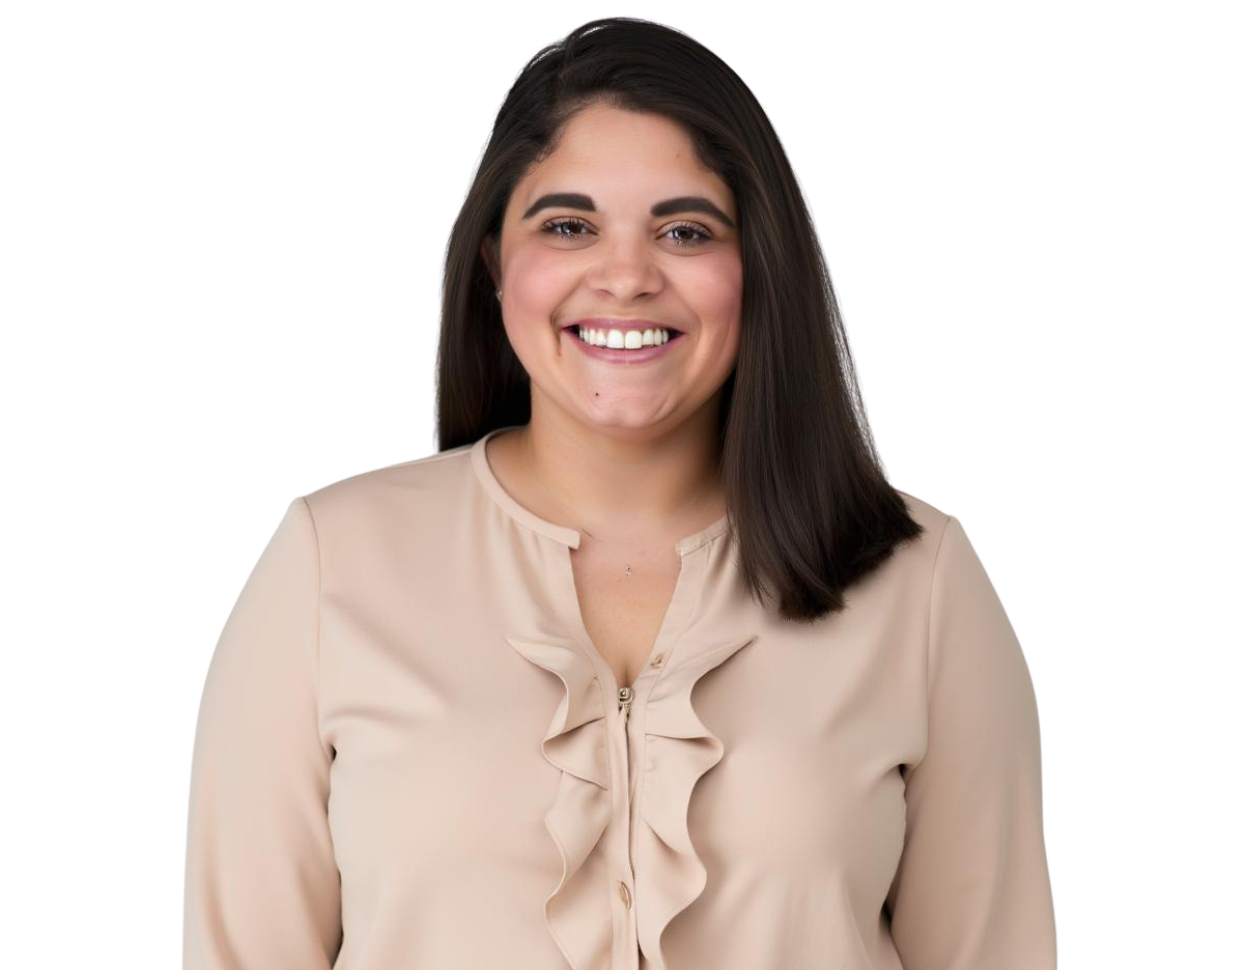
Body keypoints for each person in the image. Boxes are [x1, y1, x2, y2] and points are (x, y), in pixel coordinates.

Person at [182, 16, 1057, 970]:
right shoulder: (327, 564)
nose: (628, 276)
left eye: (685, 230)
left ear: (756, 264)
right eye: (569, 225)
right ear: (493, 262)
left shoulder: (922, 583)